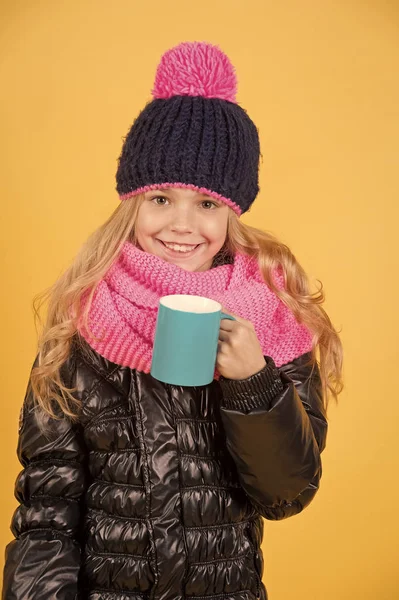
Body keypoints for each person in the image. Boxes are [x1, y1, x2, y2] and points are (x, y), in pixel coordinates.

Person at [2, 41, 343, 600]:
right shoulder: (81, 320)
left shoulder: (274, 315)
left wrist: (253, 381)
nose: (181, 224)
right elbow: (46, 511)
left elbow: (287, 495)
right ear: (132, 202)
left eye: (206, 204)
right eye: (160, 198)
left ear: (232, 211)